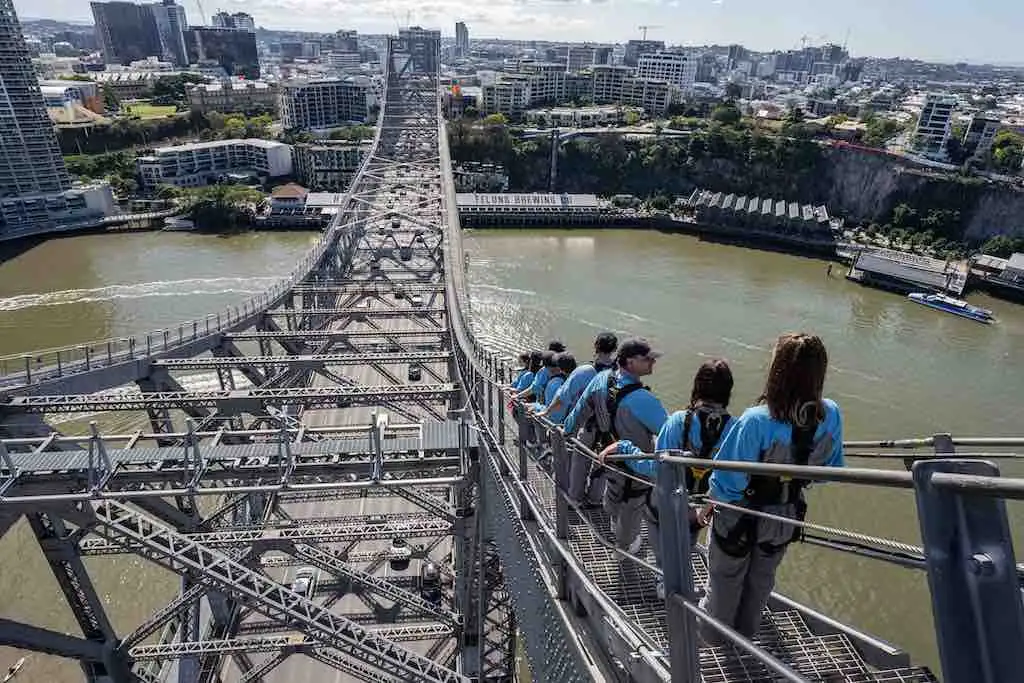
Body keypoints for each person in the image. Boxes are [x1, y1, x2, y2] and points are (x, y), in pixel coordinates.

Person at [699, 333, 844, 644]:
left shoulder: (756, 420)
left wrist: (709, 505)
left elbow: (728, 482)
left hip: (738, 518)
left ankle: (714, 645)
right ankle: (746, 640)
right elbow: (827, 472)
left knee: (724, 584)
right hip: (784, 518)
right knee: (761, 583)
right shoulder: (830, 415)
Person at [600, 358, 736, 598]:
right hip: (703, 507)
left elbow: (655, 467)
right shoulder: (735, 428)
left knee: (657, 526)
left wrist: (624, 447)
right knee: (688, 536)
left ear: (698, 387)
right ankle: (679, 574)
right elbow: (733, 477)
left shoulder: (679, 422)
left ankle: (666, 578)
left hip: (667, 503)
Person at [562, 338, 668, 553]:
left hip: (608, 458)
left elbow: (580, 410)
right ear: (629, 362)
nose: (652, 363)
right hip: (636, 467)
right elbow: (671, 435)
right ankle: (625, 547)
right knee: (633, 503)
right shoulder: (644, 399)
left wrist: (566, 433)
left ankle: (614, 525)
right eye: (647, 359)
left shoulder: (601, 379)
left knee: (613, 492)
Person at [534, 332, 618, 504]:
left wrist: (546, 412)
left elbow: (562, 397)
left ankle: (576, 498)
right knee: (603, 460)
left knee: (580, 460)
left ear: (595, 346)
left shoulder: (585, 371)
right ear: (615, 349)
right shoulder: (619, 371)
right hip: (613, 427)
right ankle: (595, 498)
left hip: (588, 425)